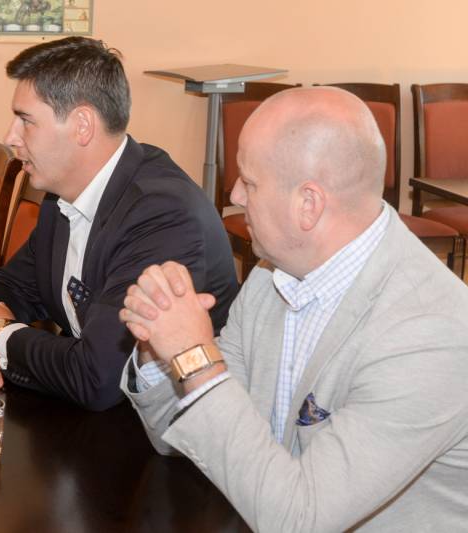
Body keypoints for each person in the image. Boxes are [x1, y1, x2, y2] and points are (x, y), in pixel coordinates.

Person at [119, 87, 468, 530]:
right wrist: (159, 345)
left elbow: (300, 520)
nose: (235, 195)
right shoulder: (272, 277)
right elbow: (188, 436)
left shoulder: (429, 336)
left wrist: (194, 357)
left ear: (308, 204)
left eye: (249, 182)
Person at [0, 36, 239, 411]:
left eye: (26, 121)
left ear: (82, 125)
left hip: (168, 431)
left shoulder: (162, 214)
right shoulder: (62, 192)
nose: (10, 137)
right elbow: (12, 286)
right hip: (89, 418)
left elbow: (98, 378)